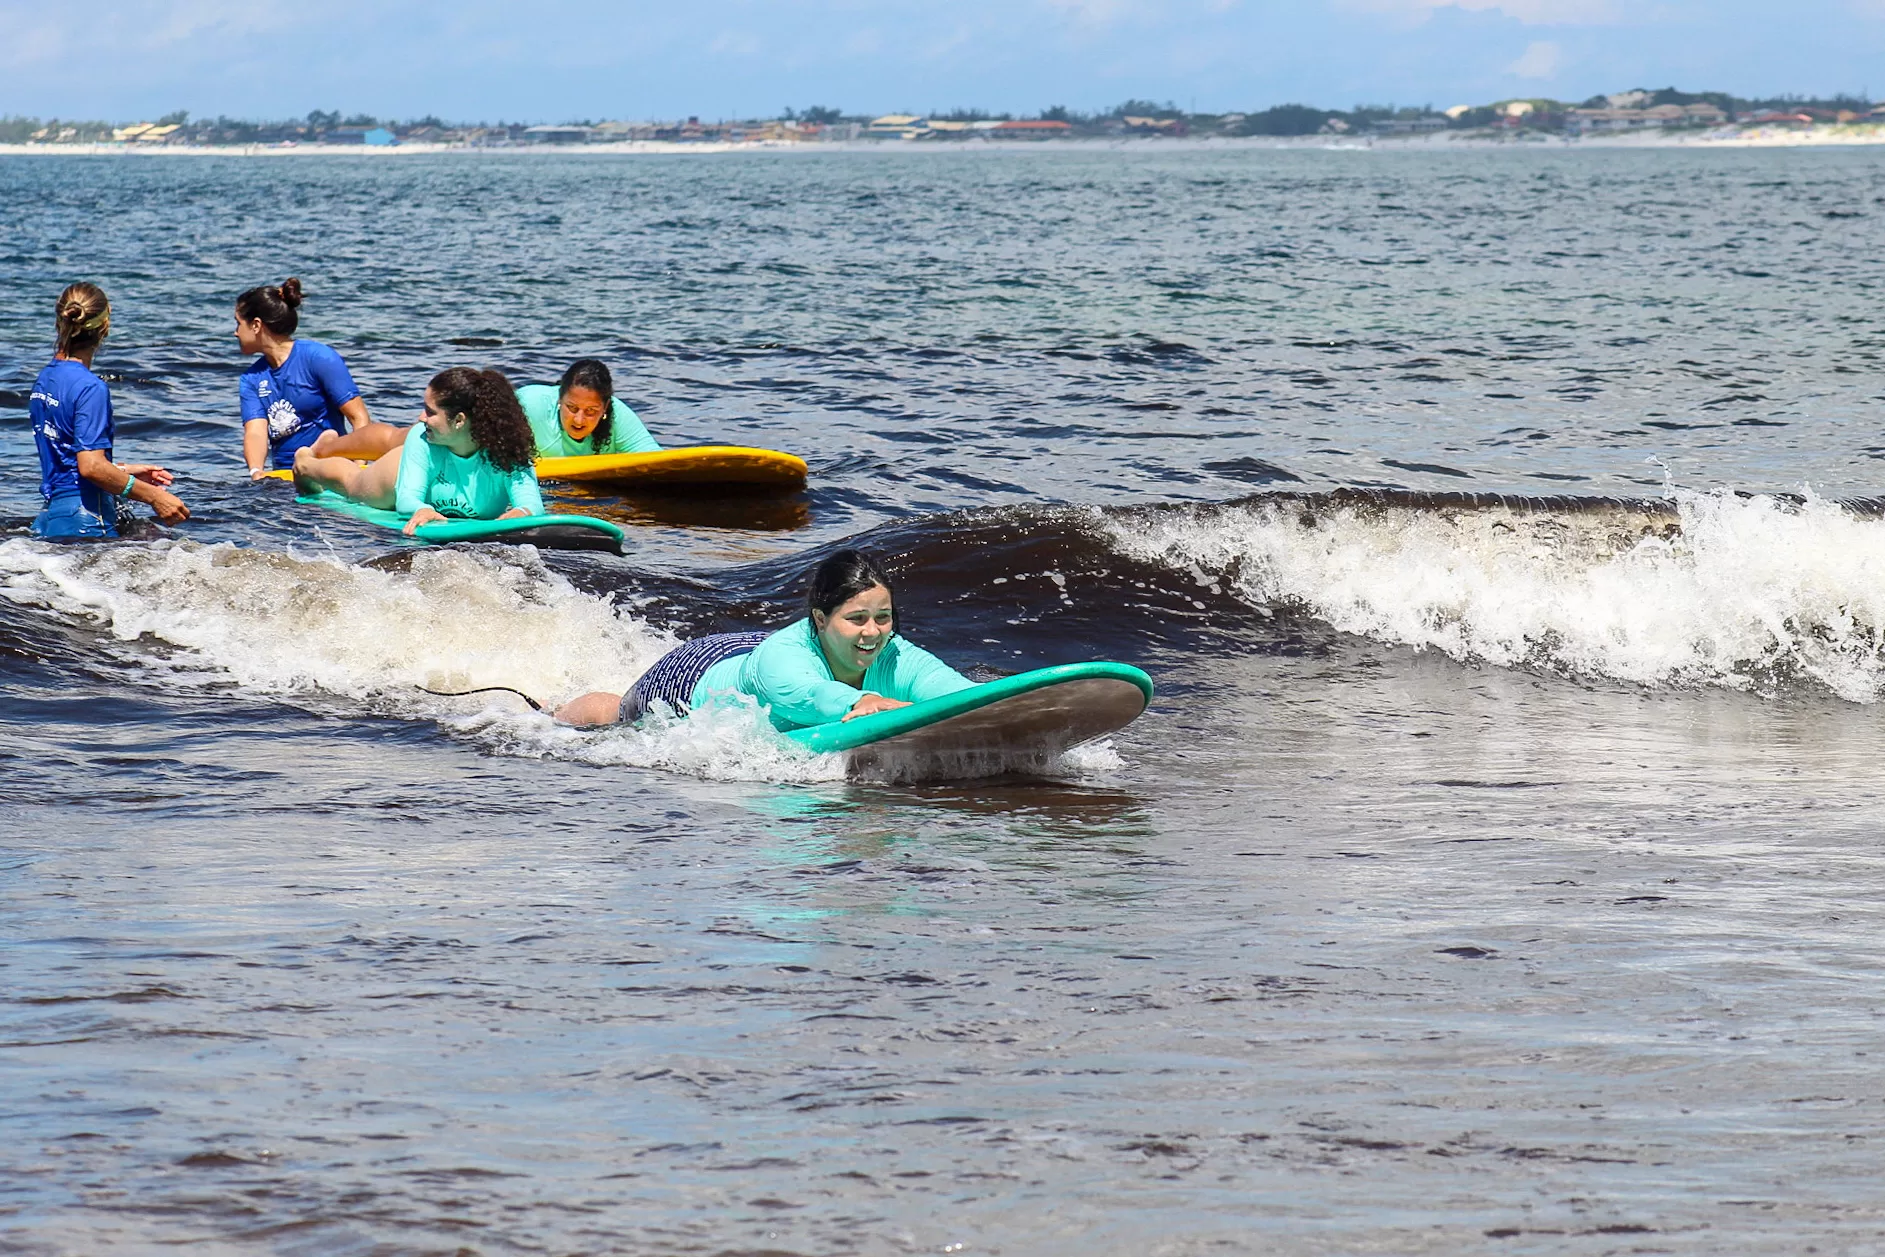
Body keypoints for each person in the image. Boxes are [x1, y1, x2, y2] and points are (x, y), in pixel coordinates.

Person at [555, 549, 974, 729]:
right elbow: (807, 696)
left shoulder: (893, 650)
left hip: (754, 648)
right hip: (692, 675)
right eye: (857, 618)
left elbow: (952, 691)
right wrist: (859, 701)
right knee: (619, 717)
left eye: (883, 618)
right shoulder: (783, 663)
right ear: (821, 619)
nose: (873, 632)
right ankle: (554, 710)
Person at [293, 367, 544, 536]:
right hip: (396, 479)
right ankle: (305, 463)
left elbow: (531, 504)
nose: (420, 417)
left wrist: (519, 514)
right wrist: (419, 509)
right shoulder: (421, 438)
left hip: (433, 474)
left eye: (430, 412)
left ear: (459, 420)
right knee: (353, 483)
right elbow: (406, 500)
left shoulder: (507, 449)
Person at [28, 283, 189, 539]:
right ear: (105, 325)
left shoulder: (45, 378)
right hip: (88, 517)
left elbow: (67, 458)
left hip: (50, 518)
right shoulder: (91, 387)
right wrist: (156, 497)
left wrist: (127, 471)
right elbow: (90, 468)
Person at [235, 278, 404, 477]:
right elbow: (255, 432)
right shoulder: (251, 378)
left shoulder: (318, 358)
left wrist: (359, 469)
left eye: (238, 324)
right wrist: (257, 473)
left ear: (256, 325)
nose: (235, 333)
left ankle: (319, 451)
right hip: (286, 476)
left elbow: (358, 417)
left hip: (331, 470)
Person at [516, 358, 660, 458]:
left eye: (591, 411)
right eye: (571, 408)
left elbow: (655, 461)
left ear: (605, 407)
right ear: (560, 397)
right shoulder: (529, 405)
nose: (579, 420)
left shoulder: (618, 416)